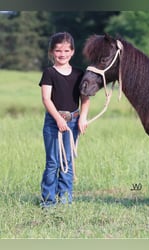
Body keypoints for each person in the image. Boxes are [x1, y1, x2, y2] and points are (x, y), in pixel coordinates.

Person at [39, 32, 90, 208]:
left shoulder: (78, 73)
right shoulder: (49, 73)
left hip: (73, 122)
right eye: (58, 50)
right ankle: (48, 201)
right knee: (53, 162)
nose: (62, 54)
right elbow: (46, 99)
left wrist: (82, 117)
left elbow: (85, 98)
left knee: (67, 161)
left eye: (66, 50)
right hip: (54, 122)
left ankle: (66, 200)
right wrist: (58, 120)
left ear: (73, 51)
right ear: (52, 52)